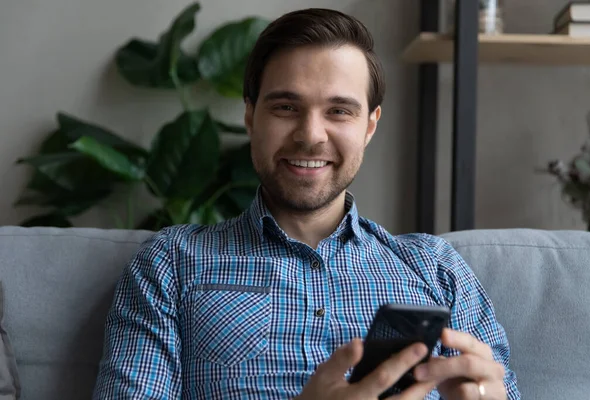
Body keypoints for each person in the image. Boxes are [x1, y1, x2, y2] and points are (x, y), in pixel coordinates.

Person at [93, 7, 520, 400]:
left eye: (339, 111)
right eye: (285, 107)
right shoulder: (171, 263)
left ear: (370, 126)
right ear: (250, 116)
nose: (310, 135)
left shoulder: (437, 269)